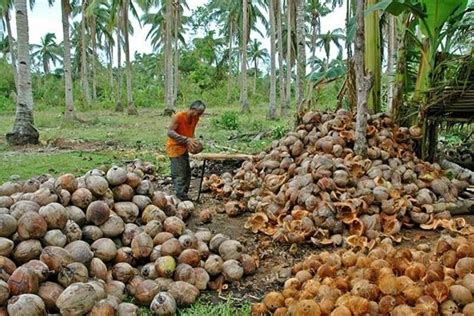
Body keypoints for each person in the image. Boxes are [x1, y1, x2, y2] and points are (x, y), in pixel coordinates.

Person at [166, 100, 205, 201]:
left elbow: (191, 133)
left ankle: (184, 196)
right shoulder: (179, 116)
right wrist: (186, 140)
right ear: (192, 109)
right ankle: (181, 197)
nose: (199, 116)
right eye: (198, 113)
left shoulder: (195, 119)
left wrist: (194, 144)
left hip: (184, 148)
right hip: (174, 148)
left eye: (201, 114)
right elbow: (170, 132)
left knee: (187, 174)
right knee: (179, 175)